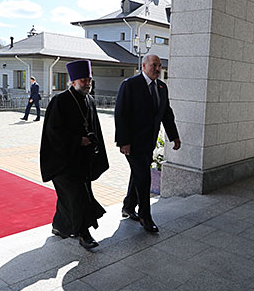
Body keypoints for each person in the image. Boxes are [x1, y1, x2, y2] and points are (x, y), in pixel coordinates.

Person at [40, 60, 109, 249]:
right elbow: (53, 132)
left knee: (68, 197)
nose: (88, 83)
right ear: (73, 81)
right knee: (78, 197)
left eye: (89, 80)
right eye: (84, 80)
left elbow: (94, 127)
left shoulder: (89, 100)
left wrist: (95, 146)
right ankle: (83, 233)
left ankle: (60, 226)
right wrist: (77, 140)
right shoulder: (60, 101)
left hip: (82, 161)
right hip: (62, 161)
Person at [114, 54, 181, 233]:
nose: (157, 69)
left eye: (159, 66)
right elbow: (121, 114)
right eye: (154, 65)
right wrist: (124, 142)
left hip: (149, 142)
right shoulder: (130, 85)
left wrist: (174, 136)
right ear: (144, 65)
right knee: (144, 177)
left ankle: (128, 206)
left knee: (138, 173)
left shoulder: (161, 87)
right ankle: (145, 216)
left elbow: (166, 113)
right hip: (133, 143)